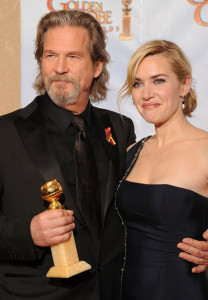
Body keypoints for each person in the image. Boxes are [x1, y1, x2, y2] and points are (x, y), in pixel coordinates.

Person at [0, 9, 136, 300]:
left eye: (73, 57)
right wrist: (28, 233)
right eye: (50, 56)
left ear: (97, 66)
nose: (59, 68)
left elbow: (138, 209)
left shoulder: (121, 128)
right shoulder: (4, 133)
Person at [116, 40, 208, 300]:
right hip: (126, 291)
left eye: (158, 81)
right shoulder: (131, 153)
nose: (146, 94)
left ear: (185, 85)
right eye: (137, 83)